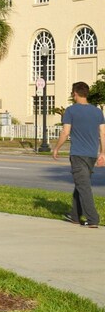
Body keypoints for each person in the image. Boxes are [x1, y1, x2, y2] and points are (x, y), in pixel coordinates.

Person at [51, 81, 105, 228]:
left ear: (75, 94)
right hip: (91, 155)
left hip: (78, 155)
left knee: (84, 187)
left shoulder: (71, 111)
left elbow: (65, 132)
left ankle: (93, 219)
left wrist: (56, 148)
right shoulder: (97, 111)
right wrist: (103, 153)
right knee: (81, 184)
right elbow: (103, 133)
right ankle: (75, 216)